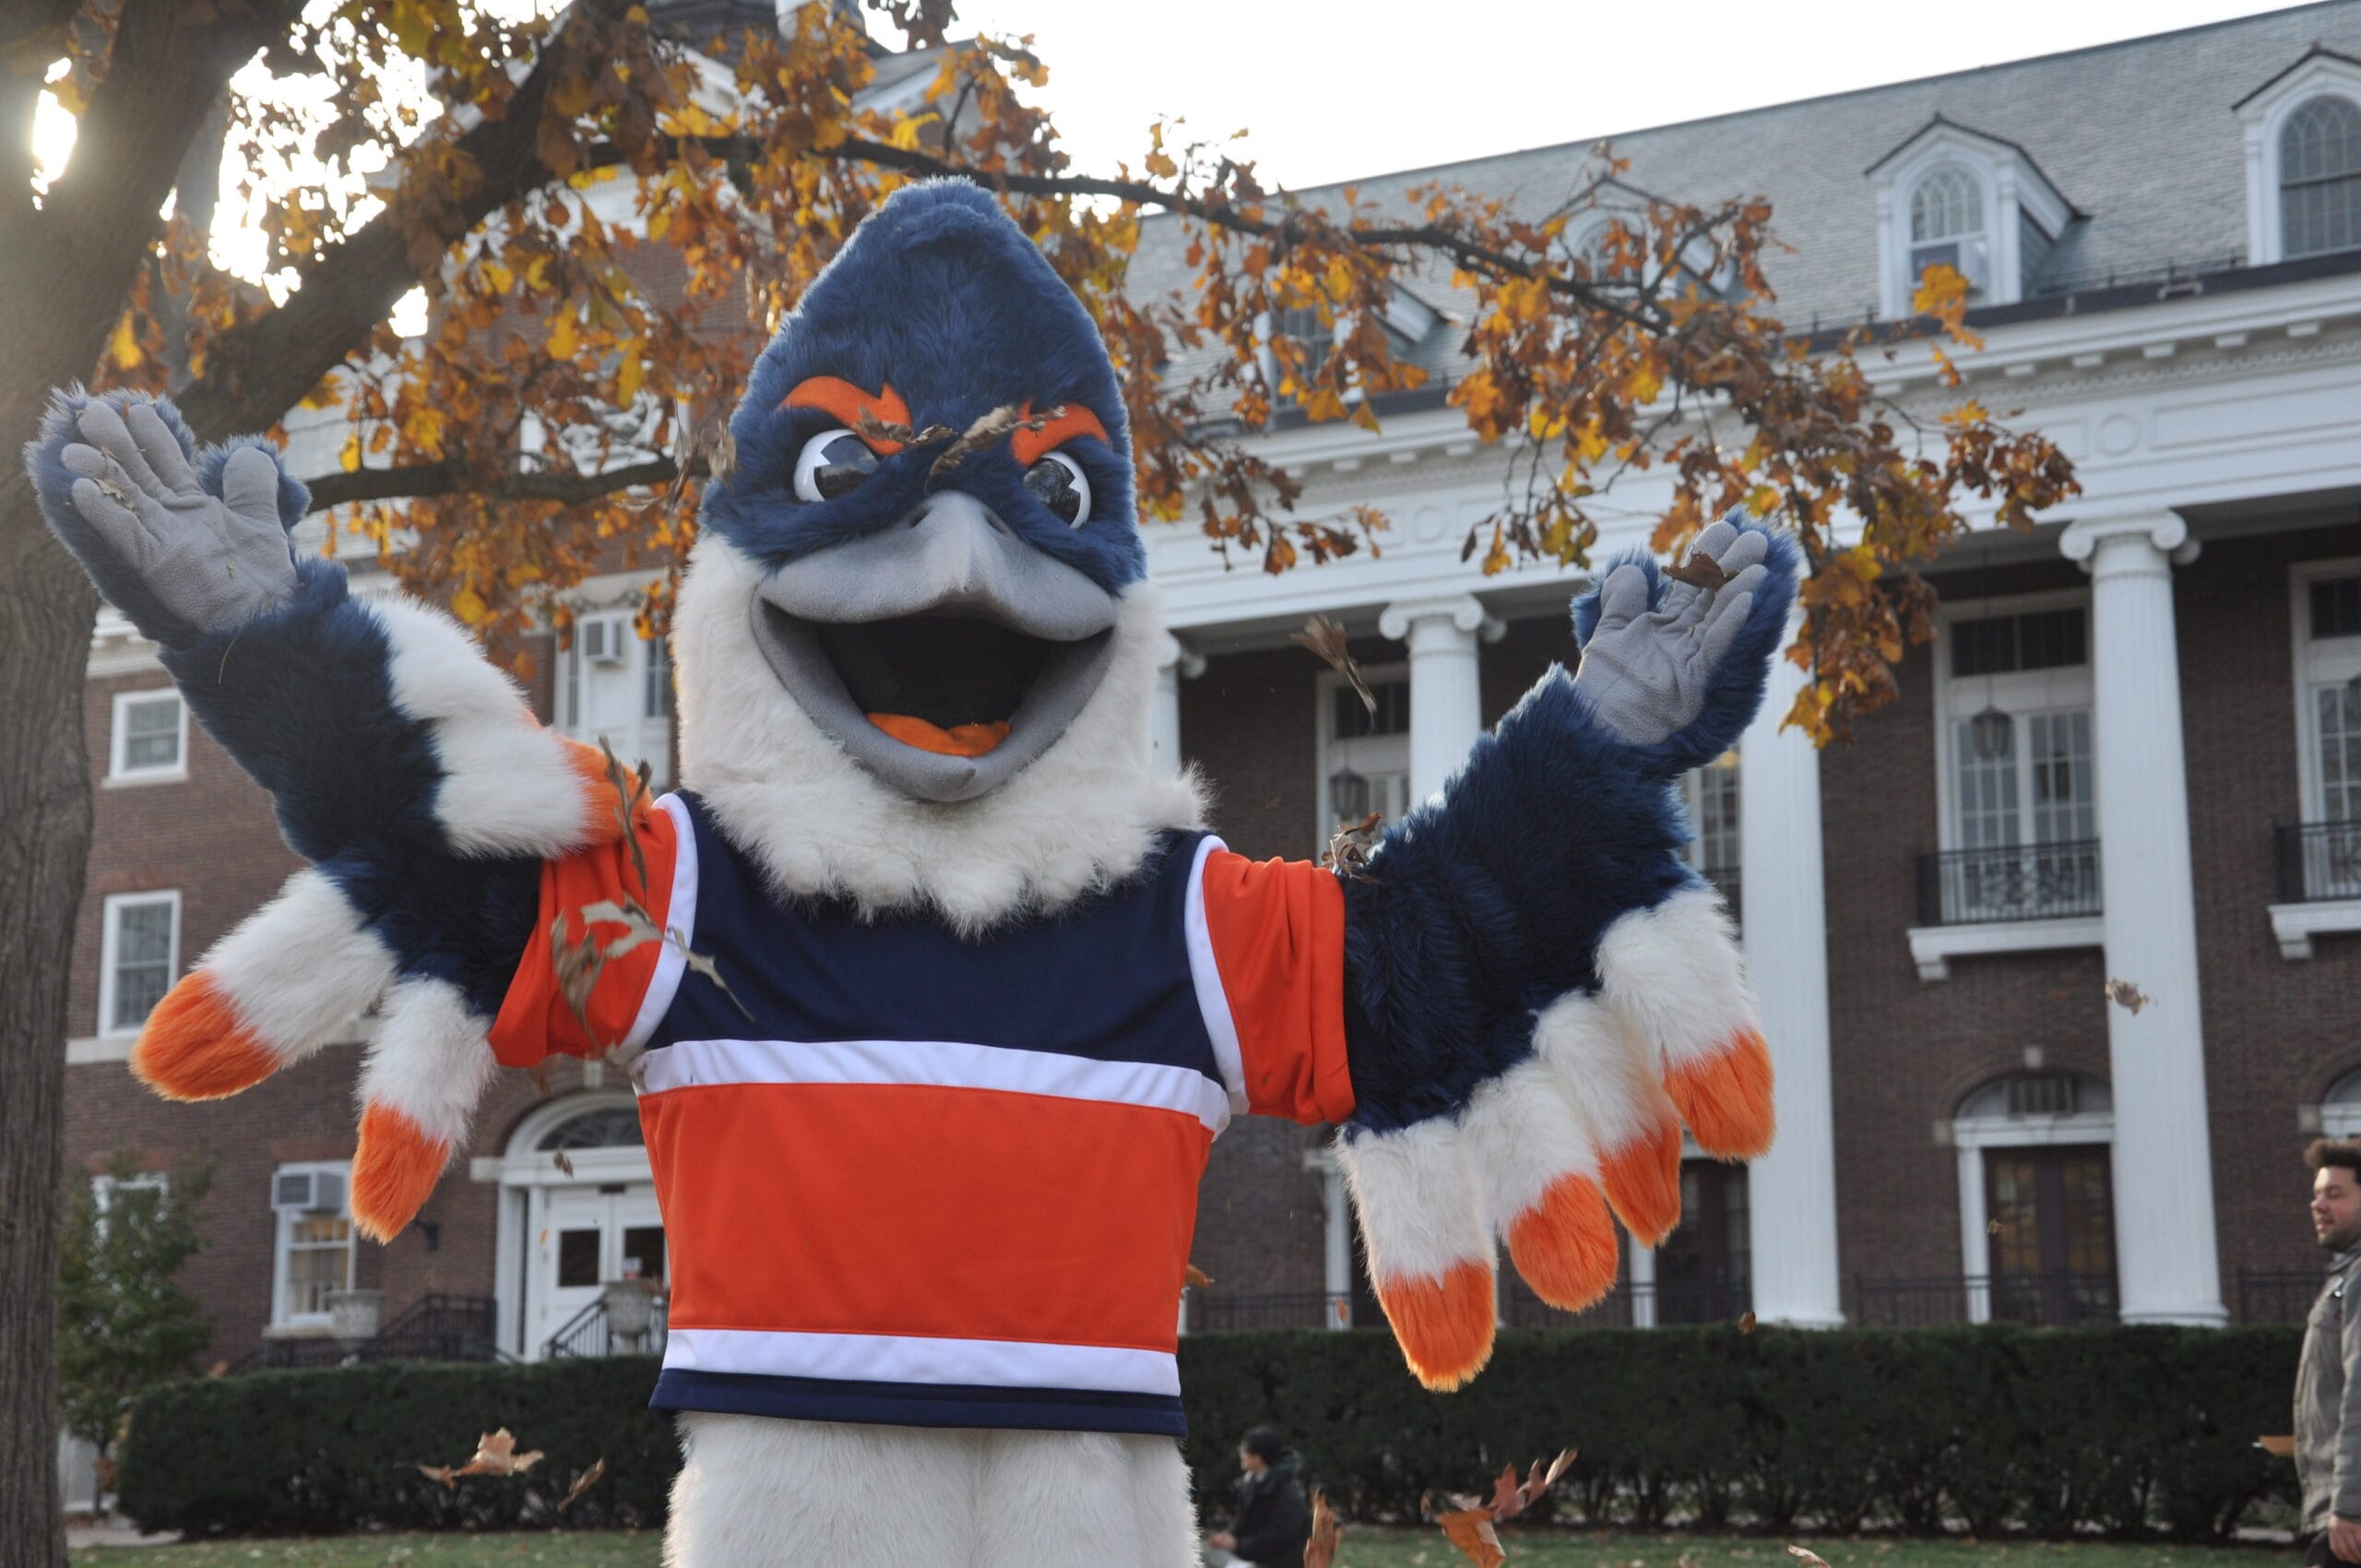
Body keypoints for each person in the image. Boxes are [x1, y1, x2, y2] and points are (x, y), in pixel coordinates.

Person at [2299, 1139, 2361, 1566]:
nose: (2318, 1204)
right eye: (2317, 1193)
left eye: (2335, 1194)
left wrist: (2350, 1506)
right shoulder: (2347, 1273)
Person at [1204, 1426, 1311, 1568]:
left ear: (1259, 1457)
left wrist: (1237, 1545)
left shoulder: (1286, 1493)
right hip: (1252, 1556)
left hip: (1278, 1563)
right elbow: (1242, 1522)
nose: (1241, 1454)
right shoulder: (1251, 1483)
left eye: (1245, 1450)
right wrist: (1227, 1536)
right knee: (1201, 1551)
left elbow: (1278, 1538)